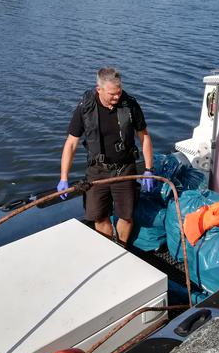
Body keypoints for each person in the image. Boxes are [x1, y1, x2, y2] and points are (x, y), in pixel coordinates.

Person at [58, 67, 155, 246]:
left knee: (126, 216)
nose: (117, 97)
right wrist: (64, 177)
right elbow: (71, 143)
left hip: (124, 168)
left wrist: (149, 168)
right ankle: (108, 248)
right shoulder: (85, 107)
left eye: (119, 92)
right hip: (97, 170)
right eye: (112, 94)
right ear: (99, 89)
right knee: (100, 217)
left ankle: (122, 248)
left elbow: (144, 136)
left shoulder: (130, 105)